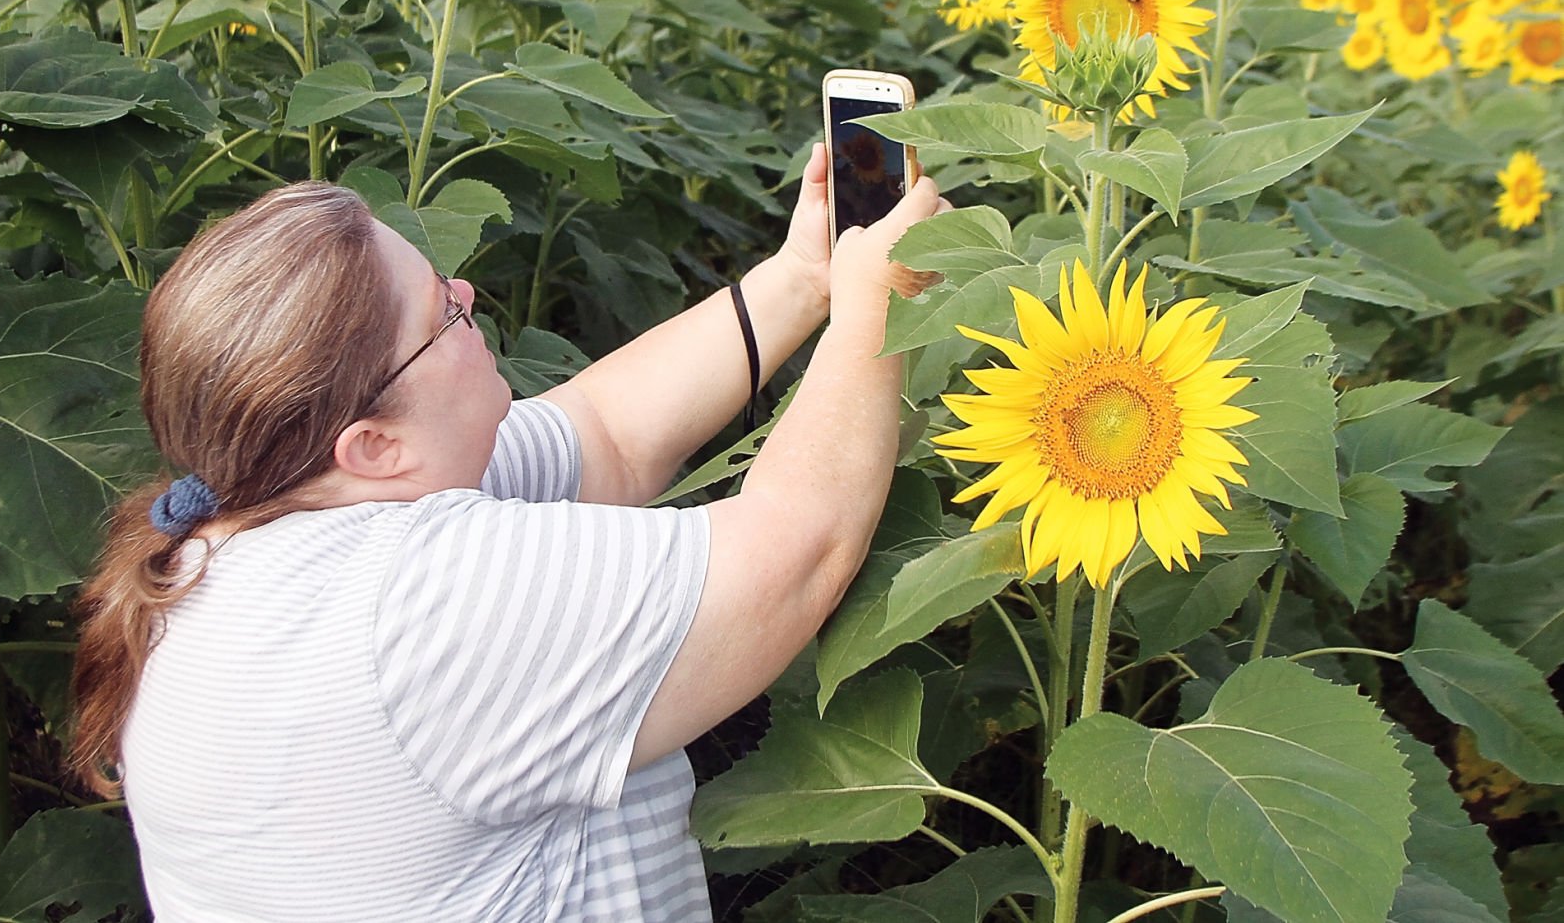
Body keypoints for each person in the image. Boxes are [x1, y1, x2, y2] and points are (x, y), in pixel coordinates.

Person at [69, 144, 944, 921]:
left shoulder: (242, 526)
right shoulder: (413, 608)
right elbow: (795, 550)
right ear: (372, 444)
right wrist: (883, 299)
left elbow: (609, 431)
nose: (467, 293)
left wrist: (805, 274)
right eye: (441, 316)